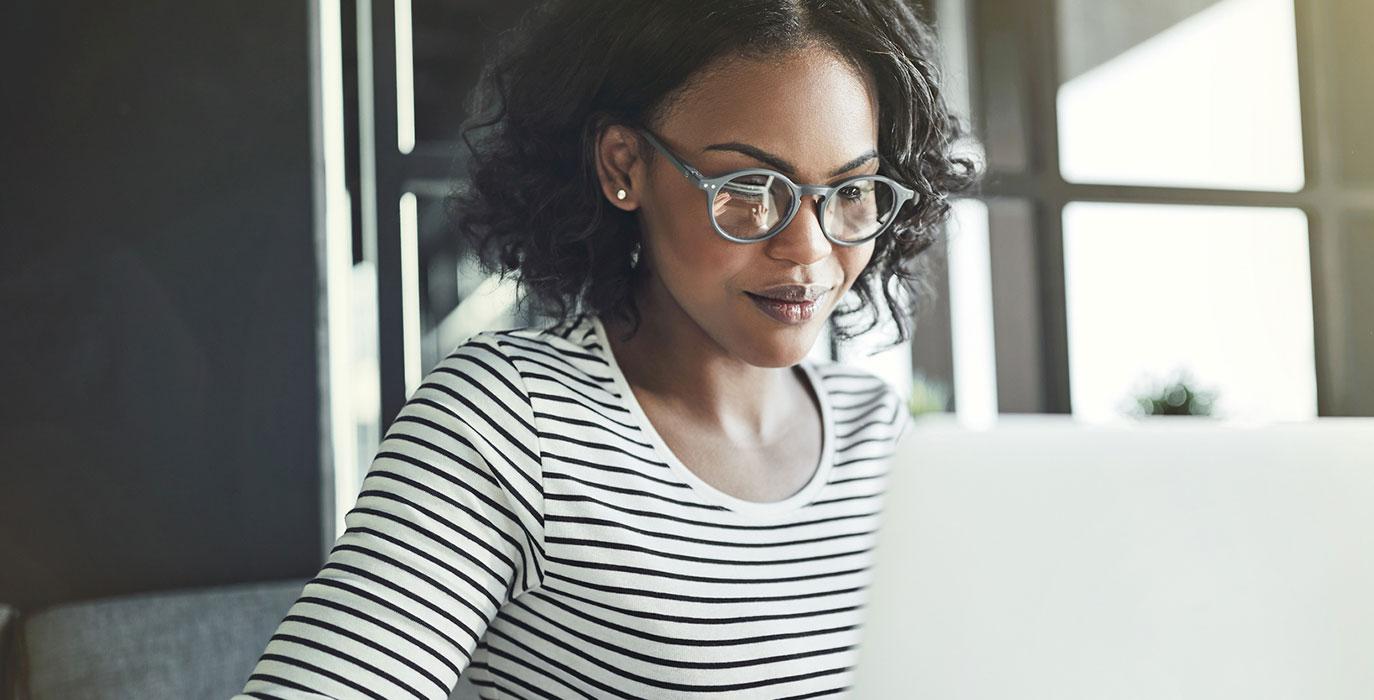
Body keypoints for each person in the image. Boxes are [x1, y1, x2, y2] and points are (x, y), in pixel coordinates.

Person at [234, 0, 979, 697]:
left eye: (850, 192)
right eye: (751, 188)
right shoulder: (508, 424)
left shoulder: (879, 433)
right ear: (625, 166)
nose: (808, 251)